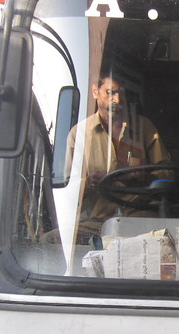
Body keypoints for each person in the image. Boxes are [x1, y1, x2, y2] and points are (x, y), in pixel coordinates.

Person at [67, 73, 170, 234]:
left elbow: (168, 174)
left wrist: (147, 176)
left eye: (121, 94)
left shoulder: (145, 128)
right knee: (50, 240)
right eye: (110, 92)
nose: (117, 100)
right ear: (95, 92)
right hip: (98, 224)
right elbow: (66, 190)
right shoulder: (78, 133)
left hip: (140, 219)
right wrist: (89, 182)